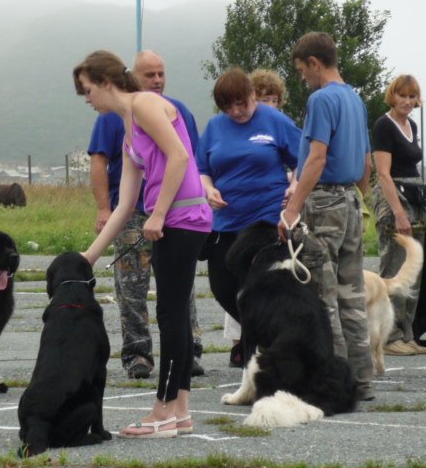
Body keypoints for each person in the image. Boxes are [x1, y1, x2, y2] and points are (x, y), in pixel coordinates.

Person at [73, 50, 211, 437]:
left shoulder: (147, 103)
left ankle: (162, 411)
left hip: (184, 218)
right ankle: (181, 410)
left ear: (104, 82)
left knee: (169, 315)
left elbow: (180, 157)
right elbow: (125, 203)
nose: (87, 99)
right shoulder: (127, 127)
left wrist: (160, 213)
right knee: (176, 314)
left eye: (86, 90)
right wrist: (90, 254)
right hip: (172, 220)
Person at [279, 32, 375, 401]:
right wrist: (359, 202)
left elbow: (316, 159)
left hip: (323, 204)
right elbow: (365, 162)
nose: (304, 77)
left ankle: (333, 380)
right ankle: (361, 377)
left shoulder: (321, 99)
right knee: (353, 294)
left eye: (303, 70)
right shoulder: (354, 99)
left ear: (315, 63)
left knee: (324, 296)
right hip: (350, 200)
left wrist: (292, 209)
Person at [196, 67, 300, 367]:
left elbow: (304, 160)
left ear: (252, 95)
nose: (237, 111)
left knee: (264, 288)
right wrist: (208, 188)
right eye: (228, 107)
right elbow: (201, 168)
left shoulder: (275, 121)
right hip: (226, 221)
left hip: (265, 221)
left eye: (241, 103)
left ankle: (269, 348)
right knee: (223, 287)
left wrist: (294, 186)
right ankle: (263, 338)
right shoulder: (215, 127)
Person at [372, 74, 426, 356]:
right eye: (402, 96)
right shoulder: (383, 126)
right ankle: (388, 336)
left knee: (414, 267)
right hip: (393, 196)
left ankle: (408, 333)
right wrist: (398, 213)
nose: (408, 102)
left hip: (415, 196)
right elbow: (383, 174)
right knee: (394, 266)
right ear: (392, 96)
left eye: (412, 97)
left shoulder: (411, 124)